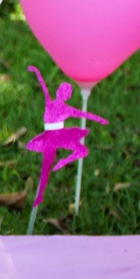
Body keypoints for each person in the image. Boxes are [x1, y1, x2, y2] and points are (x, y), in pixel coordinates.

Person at [25, 66, 108, 205]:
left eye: (68, 92)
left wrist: (100, 119)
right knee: (46, 166)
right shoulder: (51, 102)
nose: (67, 94)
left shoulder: (66, 108)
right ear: (59, 92)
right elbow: (43, 85)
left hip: (60, 135)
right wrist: (36, 71)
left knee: (82, 150)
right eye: (66, 91)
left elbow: (84, 114)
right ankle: (40, 195)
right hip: (50, 137)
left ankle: (63, 162)